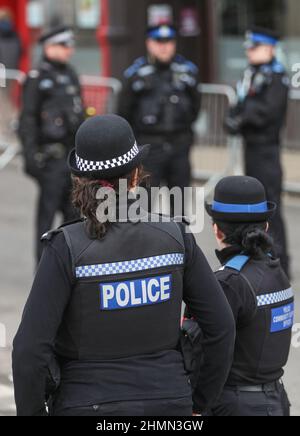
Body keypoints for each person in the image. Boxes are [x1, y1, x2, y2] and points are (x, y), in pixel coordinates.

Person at [12, 114, 235, 416]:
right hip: (168, 403)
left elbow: (29, 351)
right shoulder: (176, 237)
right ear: (135, 176)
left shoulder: (66, 247)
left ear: (79, 180)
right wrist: (200, 402)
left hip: (86, 404)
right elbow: (221, 326)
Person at [203, 175, 293, 416]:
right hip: (275, 399)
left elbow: (204, 350)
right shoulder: (276, 271)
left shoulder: (229, 282)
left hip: (236, 404)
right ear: (265, 227)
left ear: (217, 230)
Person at [224, 27, 290, 277]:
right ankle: (259, 255)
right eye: (249, 48)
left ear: (270, 48)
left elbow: (267, 112)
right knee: (255, 205)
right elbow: (240, 103)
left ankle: (280, 262)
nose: (250, 52)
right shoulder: (251, 73)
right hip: (251, 148)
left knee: (271, 207)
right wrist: (232, 119)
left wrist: (241, 120)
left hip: (266, 150)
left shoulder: (276, 76)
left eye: (255, 47)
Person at [118, 24, 201, 214]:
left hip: (179, 146)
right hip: (148, 148)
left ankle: (178, 244)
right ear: (149, 43)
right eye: (159, 42)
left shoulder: (187, 71)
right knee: (142, 207)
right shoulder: (136, 73)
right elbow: (124, 112)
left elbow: (195, 107)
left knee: (179, 210)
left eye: (169, 42)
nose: (164, 47)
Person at [18, 26, 85, 262]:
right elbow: (27, 120)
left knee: (75, 219)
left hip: (72, 160)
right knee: (46, 223)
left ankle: (72, 270)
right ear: (49, 47)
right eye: (64, 46)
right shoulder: (37, 78)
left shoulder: (71, 74)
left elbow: (80, 114)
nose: (70, 50)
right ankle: (44, 272)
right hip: (51, 160)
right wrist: (30, 158)